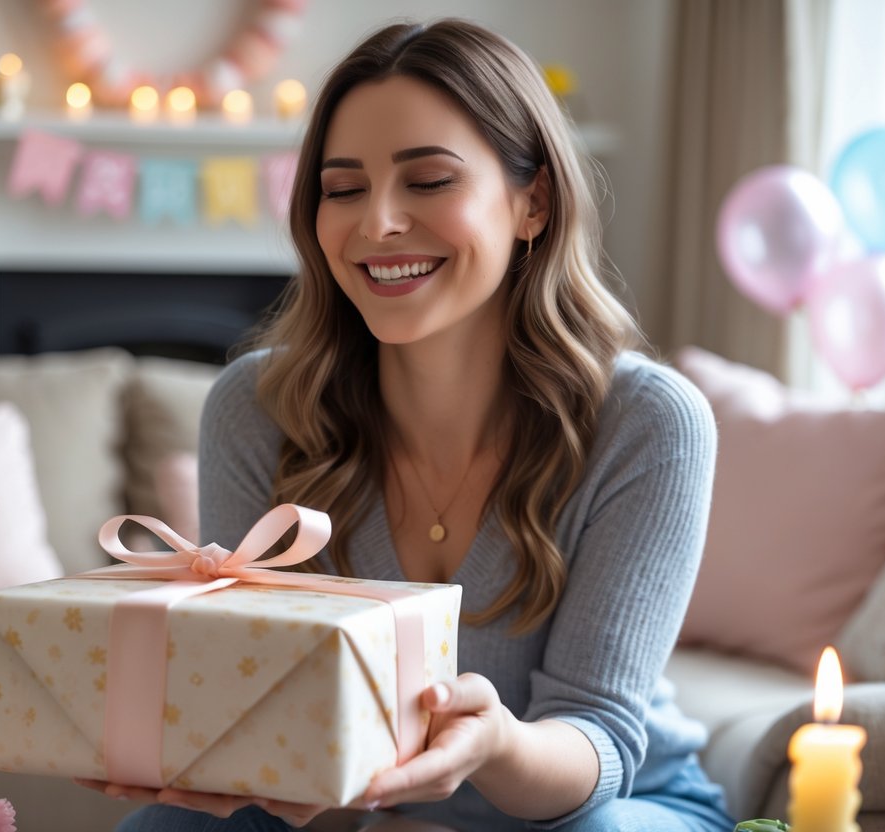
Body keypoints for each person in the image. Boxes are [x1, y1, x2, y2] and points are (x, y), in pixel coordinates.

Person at [88, 17, 733, 832]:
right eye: (343, 187)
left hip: (605, 808)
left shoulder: (647, 424)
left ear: (531, 202)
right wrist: (220, 757)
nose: (377, 223)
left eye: (428, 181)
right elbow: (278, 729)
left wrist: (492, 746)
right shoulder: (255, 410)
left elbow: (597, 741)